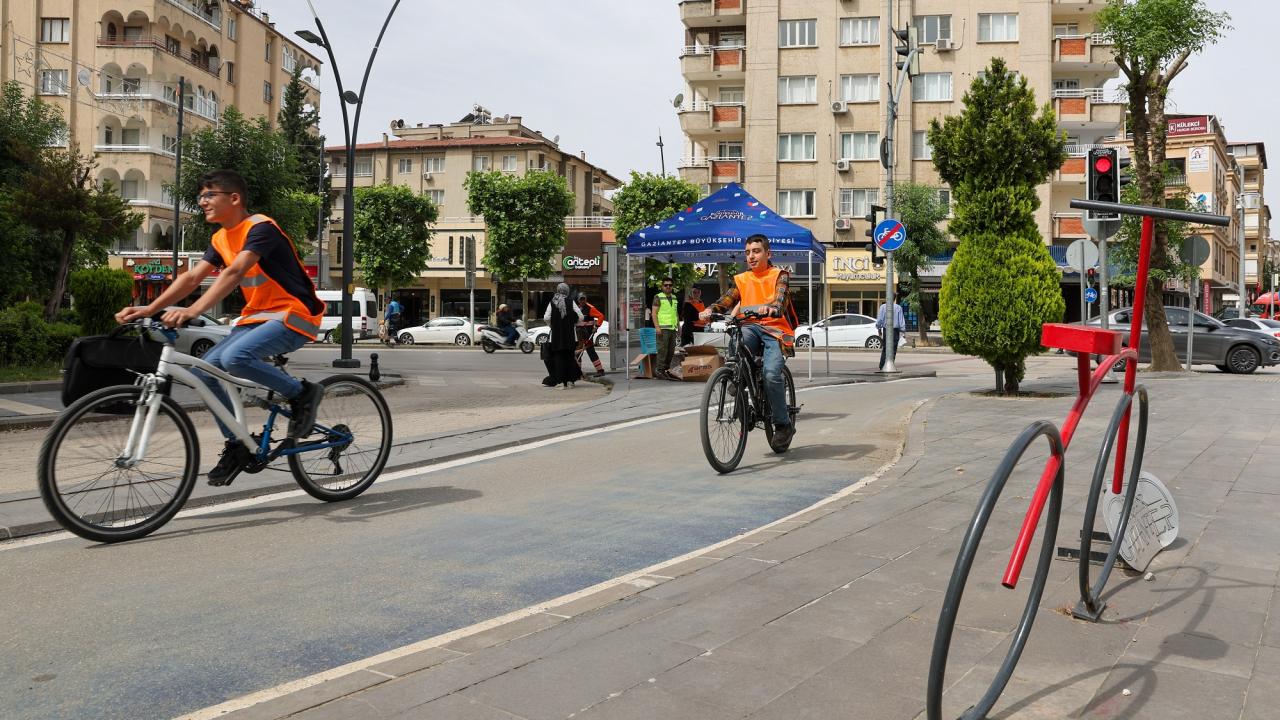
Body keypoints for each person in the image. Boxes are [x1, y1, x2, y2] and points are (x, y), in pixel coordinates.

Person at [115, 169, 325, 486]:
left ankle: (302, 393)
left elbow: (235, 272)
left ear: (234, 198)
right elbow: (191, 278)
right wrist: (150, 308)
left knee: (234, 359)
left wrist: (193, 310)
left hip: (295, 314)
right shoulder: (220, 238)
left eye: (209, 195)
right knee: (204, 371)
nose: (202, 202)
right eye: (200, 196)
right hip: (257, 317)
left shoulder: (260, 228)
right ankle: (238, 443)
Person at [700, 234, 795, 448]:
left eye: (756, 251)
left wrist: (771, 307)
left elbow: (780, 300)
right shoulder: (742, 279)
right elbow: (727, 299)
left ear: (767, 253)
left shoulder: (779, 275)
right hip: (750, 326)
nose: (751, 256)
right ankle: (736, 376)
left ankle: (783, 425)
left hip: (774, 330)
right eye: (748, 252)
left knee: (771, 375)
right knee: (738, 338)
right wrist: (710, 310)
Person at [542, 283, 584, 388]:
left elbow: (546, 318)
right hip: (570, 335)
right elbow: (580, 317)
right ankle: (570, 381)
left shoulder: (552, 302)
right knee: (570, 357)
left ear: (558, 290)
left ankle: (561, 383)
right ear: (567, 291)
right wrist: (573, 323)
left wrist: (553, 325)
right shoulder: (571, 302)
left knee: (559, 358)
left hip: (556, 336)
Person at [651, 278, 681, 380]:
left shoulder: (674, 297)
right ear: (662, 286)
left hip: (672, 328)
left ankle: (666, 370)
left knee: (671, 351)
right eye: (666, 285)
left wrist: (679, 326)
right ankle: (659, 370)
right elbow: (654, 313)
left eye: (670, 285)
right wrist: (657, 327)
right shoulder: (658, 297)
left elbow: (675, 313)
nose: (668, 287)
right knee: (662, 350)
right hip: (662, 328)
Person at [576, 293, 606, 377]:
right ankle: (578, 372)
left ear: (586, 299)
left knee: (590, 351)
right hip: (579, 333)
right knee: (578, 353)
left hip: (587, 333)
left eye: (583, 299)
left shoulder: (590, 308)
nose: (582, 301)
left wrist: (596, 326)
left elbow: (601, 316)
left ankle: (600, 370)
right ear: (578, 300)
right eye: (581, 299)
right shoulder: (577, 308)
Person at [876, 300, 906, 370]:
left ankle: (882, 365)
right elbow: (901, 321)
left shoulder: (883, 307)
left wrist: (879, 329)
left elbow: (880, 320)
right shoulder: (898, 307)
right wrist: (903, 331)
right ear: (895, 299)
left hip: (886, 329)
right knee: (893, 348)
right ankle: (890, 364)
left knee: (885, 348)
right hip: (895, 330)